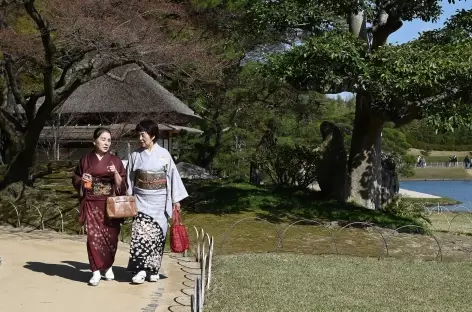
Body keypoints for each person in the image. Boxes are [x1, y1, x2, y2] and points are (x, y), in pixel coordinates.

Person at [126, 119, 188, 284]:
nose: (140, 138)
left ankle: (153, 269)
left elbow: (172, 177)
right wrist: (129, 197)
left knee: (157, 237)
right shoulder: (134, 156)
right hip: (140, 200)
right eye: (138, 135)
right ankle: (139, 270)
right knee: (140, 235)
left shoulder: (164, 155)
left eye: (143, 134)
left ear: (152, 135)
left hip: (160, 202)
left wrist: (176, 201)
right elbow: (130, 180)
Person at [72, 127, 127, 286]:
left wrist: (116, 173)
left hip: (110, 204)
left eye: (109, 140)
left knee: (112, 236)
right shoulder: (85, 160)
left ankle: (108, 266)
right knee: (93, 237)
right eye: (103, 139)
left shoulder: (115, 161)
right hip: (92, 202)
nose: (106, 143)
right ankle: (95, 271)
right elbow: (77, 179)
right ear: (94, 140)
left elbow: (122, 185)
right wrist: (83, 179)